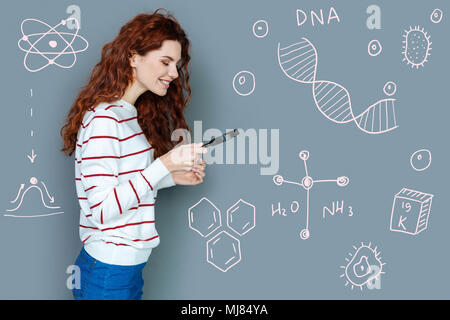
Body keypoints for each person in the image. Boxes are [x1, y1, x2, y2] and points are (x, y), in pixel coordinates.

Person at [60, 9, 206, 300]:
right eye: (165, 62)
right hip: (107, 274)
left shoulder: (127, 115)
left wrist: (170, 177)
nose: (174, 74)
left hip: (125, 270)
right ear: (133, 57)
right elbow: (102, 210)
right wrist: (163, 164)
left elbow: (124, 182)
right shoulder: (104, 120)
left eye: (176, 64)